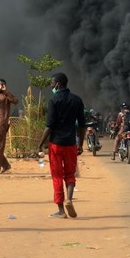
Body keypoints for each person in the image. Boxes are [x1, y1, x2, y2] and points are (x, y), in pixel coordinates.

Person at [37, 73, 86, 219]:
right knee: (70, 174)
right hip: (71, 143)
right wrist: (81, 144)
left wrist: (40, 144)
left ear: (58, 84)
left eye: (52, 83)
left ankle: (61, 211)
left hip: (56, 145)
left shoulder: (54, 100)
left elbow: (49, 126)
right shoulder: (77, 100)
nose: (51, 85)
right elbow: (82, 125)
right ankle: (69, 200)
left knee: (57, 176)